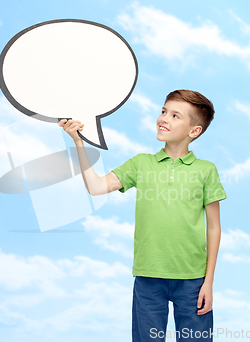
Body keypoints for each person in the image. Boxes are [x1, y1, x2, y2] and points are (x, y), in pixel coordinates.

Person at [58, 89, 227, 342]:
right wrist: (78, 142)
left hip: (193, 281)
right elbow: (96, 187)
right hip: (148, 276)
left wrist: (208, 282)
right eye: (163, 111)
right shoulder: (140, 164)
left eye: (175, 115)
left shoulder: (206, 170)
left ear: (194, 131)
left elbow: (213, 228)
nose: (164, 119)